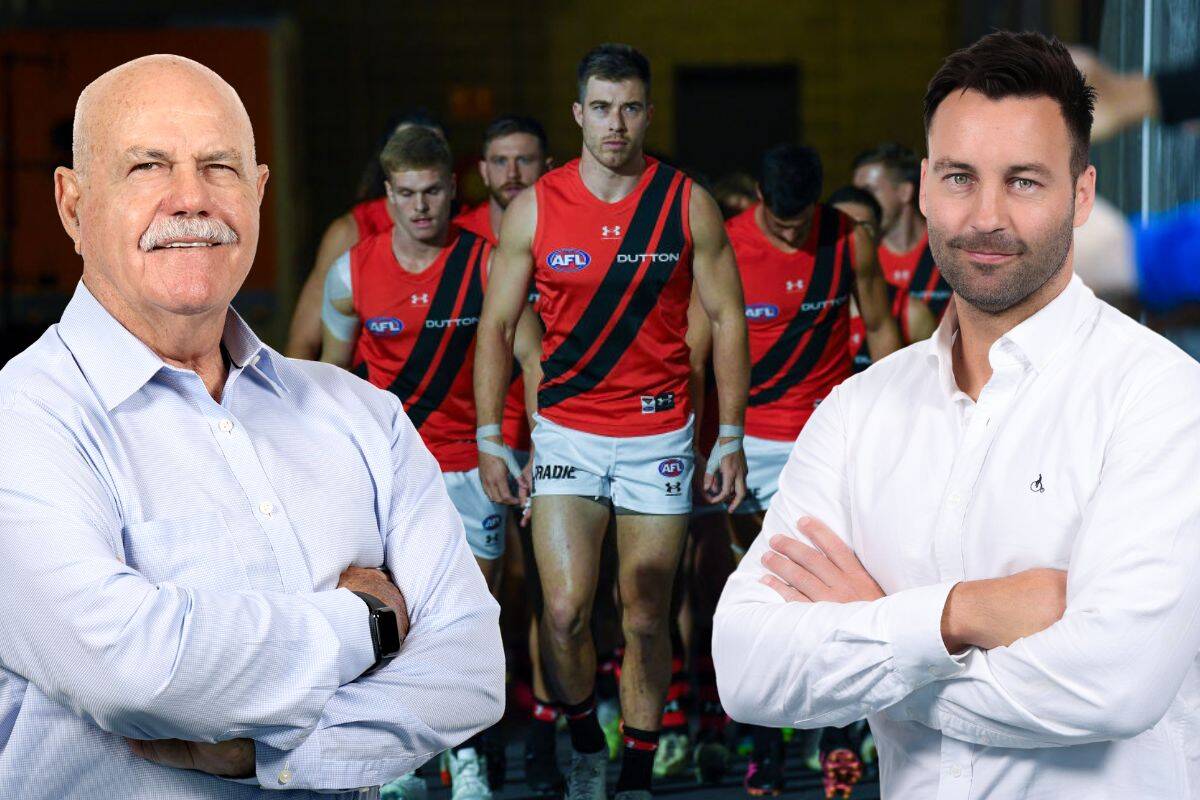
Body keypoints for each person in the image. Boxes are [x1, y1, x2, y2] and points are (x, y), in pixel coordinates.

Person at [0, 55, 503, 800]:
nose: (190, 198)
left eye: (220, 167)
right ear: (74, 206)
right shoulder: (24, 418)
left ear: (259, 192)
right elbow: (133, 673)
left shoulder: (363, 415)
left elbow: (471, 672)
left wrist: (259, 755)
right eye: (146, 166)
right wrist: (367, 622)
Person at [714, 31, 1200, 798]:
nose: (986, 216)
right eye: (959, 177)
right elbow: (748, 667)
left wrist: (882, 643)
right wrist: (956, 615)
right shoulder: (857, 412)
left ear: (1082, 195)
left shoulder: (1161, 398)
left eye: (1025, 181)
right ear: (924, 188)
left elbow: (1115, 685)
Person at [475, 43, 749, 800]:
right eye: (601, 108)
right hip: (567, 430)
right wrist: (490, 438)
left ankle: (633, 773)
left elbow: (729, 317)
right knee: (564, 612)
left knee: (645, 614)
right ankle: (584, 736)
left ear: (649, 113)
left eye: (629, 108)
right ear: (578, 114)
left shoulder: (685, 202)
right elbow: (496, 326)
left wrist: (729, 435)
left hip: (659, 434)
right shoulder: (537, 207)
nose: (616, 124)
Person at [320, 125, 541, 800]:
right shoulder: (351, 272)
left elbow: (533, 357)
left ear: (453, 190)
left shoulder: (487, 263)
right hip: (390, 475)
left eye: (433, 192)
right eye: (407, 193)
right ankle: (408, 759)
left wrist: (535, 450)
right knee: (394, 618)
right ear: (387, 195)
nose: (420, 207)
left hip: (474, 466)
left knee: (466, 620)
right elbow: (328, 382)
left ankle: (469, 754)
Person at [705, 145, 900, 797]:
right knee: (767, 592)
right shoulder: (726, 243)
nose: (791, 237)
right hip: (750, 438)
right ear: (759, 197)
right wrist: (721, 439)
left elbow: (881, 329)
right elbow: (699, 347)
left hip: (826, 436)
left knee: (826, 586)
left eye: (801, 223)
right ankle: (767, 740)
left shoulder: (847, 238)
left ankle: (838, 734)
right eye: (778, 224)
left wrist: (896, 428)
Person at [286, 112, 446, 360]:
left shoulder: (468, 229)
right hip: (368, 382)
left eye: (431, 148)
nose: (418, 158)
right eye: (407, 148)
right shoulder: (350, 232)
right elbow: (304, 342)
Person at [827, 185, 937, 373]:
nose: (853, 239)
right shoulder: (795, 306)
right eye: (842, 228)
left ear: (879, 236)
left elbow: (931, 382)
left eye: (864, 228)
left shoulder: (911, 314)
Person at [852, 142, 953, 324]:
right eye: (856, 195)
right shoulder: (862, 256)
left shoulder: (952, 247)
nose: (860, 203)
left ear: (905, 192)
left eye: (868, 192)